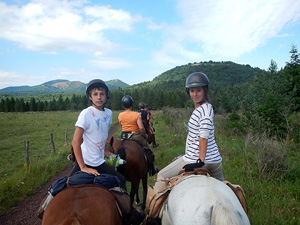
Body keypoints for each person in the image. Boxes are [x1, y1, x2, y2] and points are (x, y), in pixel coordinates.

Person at [38, 80, 145, 224]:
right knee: (63, 187)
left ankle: (127, 214)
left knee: (120, 179)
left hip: (100, 160)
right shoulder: (86, 113)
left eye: (102, 94)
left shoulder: (108, 113)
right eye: (95, 94)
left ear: (107, 96)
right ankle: (44, 208)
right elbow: (76, 141)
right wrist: (82, 167)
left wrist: (106, 152)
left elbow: (100, 137)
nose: (99, 97)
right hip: (86, 161)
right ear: (90, 97)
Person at [157, 72, 224, 181]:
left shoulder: (205, 109)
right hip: (215, 161)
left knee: (161, 176)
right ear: (188, 92)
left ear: (205, 91)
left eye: (198, 90)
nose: (195, 94)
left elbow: (203, 137)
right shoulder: (203, 108)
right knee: (225, 189)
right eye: (192, 91)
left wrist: (200, 162)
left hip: (196, 160)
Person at [118, 95, 159, 176]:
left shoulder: (120, 115)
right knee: (148, 150)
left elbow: (121, 125)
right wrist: (145, 136)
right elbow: (141, 128)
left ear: (123, 105)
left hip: (124, 136)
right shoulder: (136, 114)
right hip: (135, 135)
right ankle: (152, 168)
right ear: (132, 104)